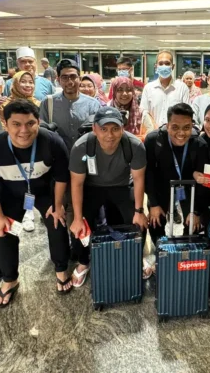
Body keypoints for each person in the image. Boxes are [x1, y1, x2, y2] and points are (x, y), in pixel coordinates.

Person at [0, 101, 72, 306]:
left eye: (30, 123)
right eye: (16, 124)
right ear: (5, 124)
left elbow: (62, 176)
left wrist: (57, 205)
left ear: (38, 121)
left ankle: (61, 269)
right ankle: (10, 280)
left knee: (57, 223)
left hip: (44, 191)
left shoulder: (52, 142)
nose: (24, 130)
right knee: (5, 233)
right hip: (9, 194)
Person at [68, 107, 148, 287]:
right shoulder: (82, 146)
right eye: (104, 129)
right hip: (91, 187)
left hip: (121, 186)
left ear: (122, 128)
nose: (109, 135)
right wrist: (78, 217)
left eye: (115, 129)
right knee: (78, 225)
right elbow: (77, 183)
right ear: (95, 129)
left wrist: (139, 210)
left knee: (138, 222)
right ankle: (83, 261)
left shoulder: (134, 145)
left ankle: (137, 256)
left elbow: (138, 178)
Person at [145, 103, 210, 242]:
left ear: (192, 126)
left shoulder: (200, 144)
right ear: (167, 125)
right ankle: (161, 253)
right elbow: (148, 173)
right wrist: (154, 204)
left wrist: (196, 211)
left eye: (186, 128)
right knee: (156, 223)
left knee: (194, 226)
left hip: (188, 190)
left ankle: (186, 254)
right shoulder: (153, 140)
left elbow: (204, 183)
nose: (181, 133)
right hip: (161, 187)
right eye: (175, 127)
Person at [39, 59, 100, 151]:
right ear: (58, 80)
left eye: (73, 76)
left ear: (79, 79)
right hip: (57, 156)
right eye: (64, 77)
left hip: (85, 155)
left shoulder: (93, 104)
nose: (69, 82)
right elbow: (42, 132)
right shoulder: (48, 103)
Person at [140, 51, 190, 127]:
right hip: (154, 133)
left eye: (167, 63)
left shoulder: (182, 88)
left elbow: (186, 113)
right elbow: (144, 112)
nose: (164, 66)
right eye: (161, 63)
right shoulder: (148, 88)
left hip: (175, 133)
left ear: (173, 66)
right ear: (156, 66)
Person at [108, 76, 155, 141]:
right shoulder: (107, 111)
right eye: (120, 90)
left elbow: (150, 135)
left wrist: (132, 140)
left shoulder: (142, 114)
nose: (124, 93)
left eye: (128, 90)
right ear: (114, 92)